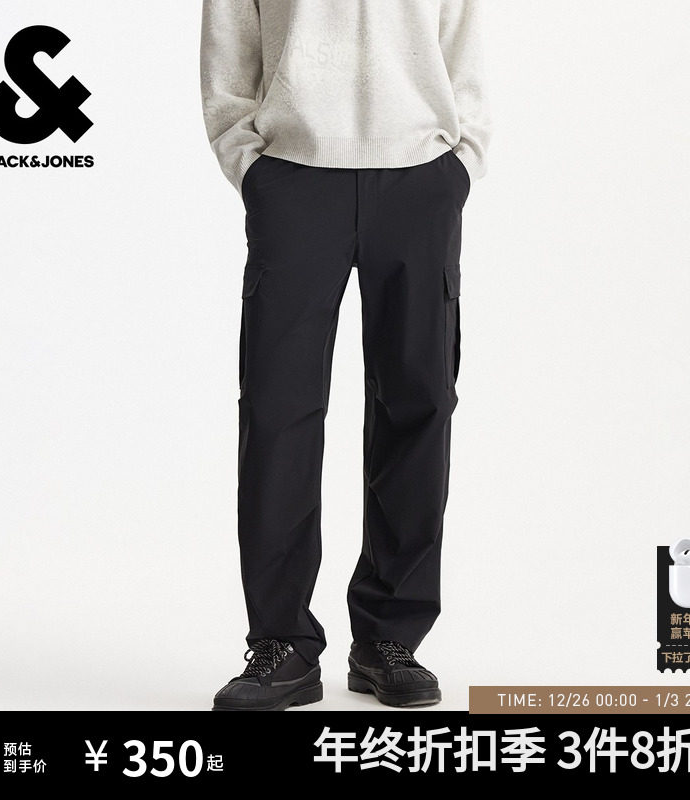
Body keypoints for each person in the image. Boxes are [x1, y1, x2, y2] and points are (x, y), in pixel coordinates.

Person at [200, 0, 491, 711]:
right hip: (293, 175)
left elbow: (462, 34)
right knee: (277, 412)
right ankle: (282, 644)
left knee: (419, 405)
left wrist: (461, 161)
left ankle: (390, 638)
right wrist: (249, 163)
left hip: (420, 175)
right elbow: (230, 43)